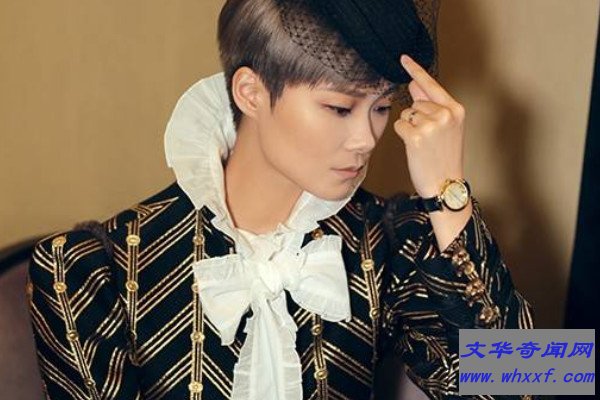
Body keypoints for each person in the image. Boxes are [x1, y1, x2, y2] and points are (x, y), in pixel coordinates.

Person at [27, 0, 535, 399]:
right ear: (250, 92)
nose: (367, 139)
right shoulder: (92, 270)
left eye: (381, 108)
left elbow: (534, 377)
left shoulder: (386, 242)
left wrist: (448, 192)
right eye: (339, 108)